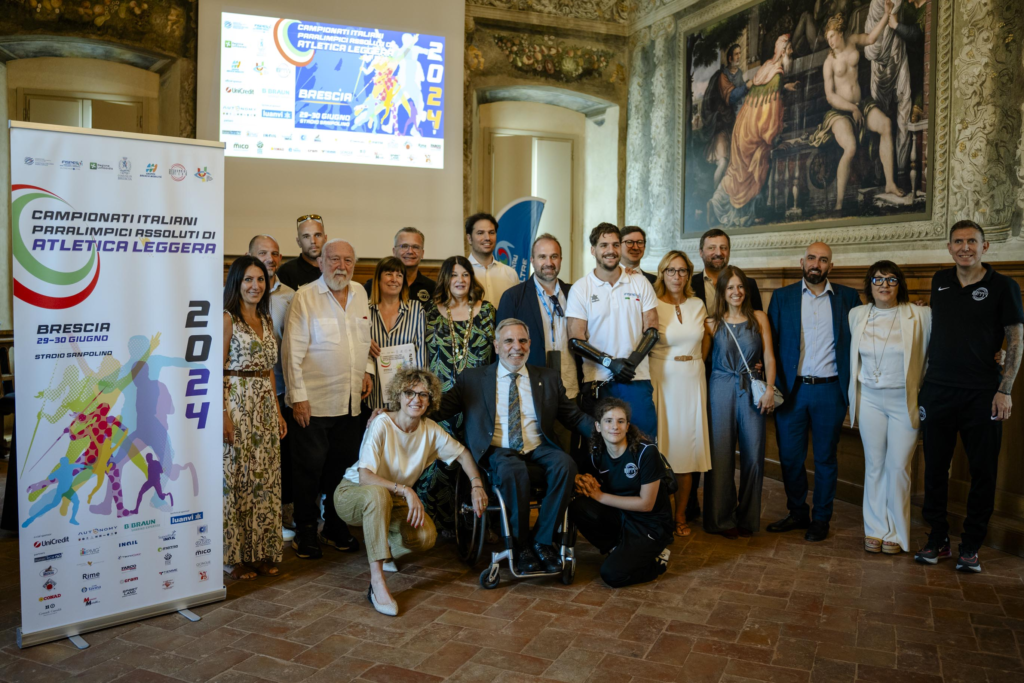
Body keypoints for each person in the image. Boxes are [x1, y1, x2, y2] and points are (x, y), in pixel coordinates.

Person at [434, 319, 593, 573]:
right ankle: (520, 546)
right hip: (498, 451)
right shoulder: (473, 380)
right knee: (513, 470)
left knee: (566, 464)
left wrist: (605, 430)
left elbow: (573, 417)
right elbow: (439, 408)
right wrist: (399, 412)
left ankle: (542, 542)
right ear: (496, 346)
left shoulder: (548, 378)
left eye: (522, 341)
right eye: (508, 341)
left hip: (539, 447)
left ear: (529, 345)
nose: (516, 347)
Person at [914, 220, 1022, 573]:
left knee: (983, 472)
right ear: (949, 247)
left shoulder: (1004, 286)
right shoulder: (940, 280)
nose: (965, 247)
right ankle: (938, 539)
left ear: (985, 247)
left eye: (971, 242)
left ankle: (971, 545)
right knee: (934, 470)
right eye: (958, 241)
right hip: (939, 391)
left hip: (983, 395)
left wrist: (1004, 389)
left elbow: (1016, 341)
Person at [335, 367, 487, 616]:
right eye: (409, 392)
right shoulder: (382, 423)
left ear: (430, 400)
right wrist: (406, 490)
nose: (416, 399)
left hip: (392, 496)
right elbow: (365, 477)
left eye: (423, 394)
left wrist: (477, 485)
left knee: (425, 536)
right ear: (399, 395)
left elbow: (463, 455)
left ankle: (383, 547)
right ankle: (377, 582)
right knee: (377, 493)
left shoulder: (430, 430)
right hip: (353, 493)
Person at [282, 239, 373, 559]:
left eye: (348, 260)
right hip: (314, 404)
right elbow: (291, 351)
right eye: (334, 259)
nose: (341, 266)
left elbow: (364, 341)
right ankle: (305, 531)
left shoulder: (361, 293)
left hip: (350, 403)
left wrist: (368, 372)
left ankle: (335, 526)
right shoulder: (305, 296)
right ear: (320, 263)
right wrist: (298, 398)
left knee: (342, 468)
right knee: (308, 470)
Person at [766, 242, 862, 542]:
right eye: (811, 258)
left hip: (830, 391)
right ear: (802, 262)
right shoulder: (782, 298)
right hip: (792, 391)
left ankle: (821, 518)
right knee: (791, 458)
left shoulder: (849, 298)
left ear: (830, 266)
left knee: (825, 459)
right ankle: (797, 512)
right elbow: (770, 344)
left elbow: (868, 332)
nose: (816, 264)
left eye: (823, 260)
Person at [848, 261, 931, 554]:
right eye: (878, 279)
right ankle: (875, 529)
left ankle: (896, 533)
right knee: (875, 466)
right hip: (869, 399)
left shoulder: (920, 314)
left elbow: (936, 353)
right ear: (870, 284)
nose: (884, 285)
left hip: (903, 401)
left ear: (900, 284)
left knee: (898, 467)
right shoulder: (857, 315)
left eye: (891, 279)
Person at [419, 255, 496, 535]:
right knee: (441, 460)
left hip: (479, 399)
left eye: (465, 274)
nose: (460, 280)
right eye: (454, 275)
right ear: (445, 279)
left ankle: (477, 522)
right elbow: (422, 356)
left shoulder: (487, 311)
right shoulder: (430, 312)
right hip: (442, 401)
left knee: (478, 459)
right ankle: (436, 523)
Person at [222, 256, 287, 580]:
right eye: (248, 279)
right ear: (236, 282)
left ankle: (261, 552)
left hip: (263, 407)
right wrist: (223, 415)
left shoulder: (265, 316)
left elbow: (269, 371)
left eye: (260, 280)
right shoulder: (226, 319)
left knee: (264, 482)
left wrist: (276, 411)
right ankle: (233, 558)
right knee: (238, 481)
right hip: (236, 404)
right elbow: (215, 370)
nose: (255, 286)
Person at [567, 223, 660, 443]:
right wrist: (610, 363)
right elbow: (576, 340)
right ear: (593, 250)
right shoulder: (581, 288)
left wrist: (631, 363)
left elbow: (652, 330)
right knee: (603, 447)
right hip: (599, 382)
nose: (611, 250)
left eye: (615, 244)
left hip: (637, 379)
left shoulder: (639, 281)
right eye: (604, 245)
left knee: (644, 442)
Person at [703, 266, 776, 538]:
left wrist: (769, 387)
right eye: (730, 287)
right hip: (719, 387)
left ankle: (747, 519)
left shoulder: (759, 318)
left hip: (752, 386)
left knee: (754, 455)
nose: (736, 292)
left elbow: (769, 356)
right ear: (722, 291)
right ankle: (721, 520)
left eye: (740, 286)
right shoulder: (711, 323)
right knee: (720, 455)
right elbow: (701, 360)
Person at [810, 5, 906, 210]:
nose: (831, 41)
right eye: (828, 38)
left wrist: (887, 16)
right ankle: (839, 202)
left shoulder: (852, 41)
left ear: (841, 32)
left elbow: (871, 38)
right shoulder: (829, 62)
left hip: (860, 105)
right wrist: (851, 109)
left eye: (833, 36)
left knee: (886, 124)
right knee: (850, 147)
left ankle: (889, 183)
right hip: (839, 112)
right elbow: (830, 96)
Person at [571, 397, 672, 588]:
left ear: (627, 426)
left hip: (650, 525)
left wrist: (600, 496)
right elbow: (583, 479)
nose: (614, 426)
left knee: (612, 575)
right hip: (622, 518)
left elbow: (646, 504)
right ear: (598, 427)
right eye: (608, 421)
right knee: (579, 507)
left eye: (620, 421)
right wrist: (580, 481)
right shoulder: (596, 455)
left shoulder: (645, 452)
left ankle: (656, 561)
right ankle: (617, 548)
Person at [496, 234, 581, 451]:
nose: (548, 262)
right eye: (542, 256)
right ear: (532, 260)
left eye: (554, 256)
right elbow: (503, 348)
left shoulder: (576, 294)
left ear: (561, 259)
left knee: (566, 454)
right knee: (533, 453)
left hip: (570, 388)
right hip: (529, 391)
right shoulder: (513, 296)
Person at [649, 250, 710, 538]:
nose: (677, 276)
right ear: (662, 273)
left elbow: (706, 338)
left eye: (683, 270)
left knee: (687, 450)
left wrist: (696, 361)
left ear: (689, 274)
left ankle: (681, 515)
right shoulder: (651, 304)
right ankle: (657, 515)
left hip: (692, 379)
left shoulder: (698, 304)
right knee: (662, 449)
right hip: (662, 379)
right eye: (671, 270)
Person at [708, 34, 800, 227]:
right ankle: (748, 213)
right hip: (754, 132)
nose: (792, 53)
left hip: (743, 127)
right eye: (790, 50)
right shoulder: (776, 73)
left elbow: (763, 93)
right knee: (755, 170)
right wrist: (773, 136)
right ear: (783, 52)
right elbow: (770, 108)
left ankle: (717, 201)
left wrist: (783, 87)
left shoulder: (767, 66)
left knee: (738, 171)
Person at [249, 234, 297, 540]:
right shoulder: (236, 295)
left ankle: (275, 518)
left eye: (275, 253)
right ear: (250, 255)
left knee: (278, 461)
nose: (271, 258)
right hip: (244, 393)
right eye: (263, 252)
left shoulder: (290, 295)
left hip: (278, 389)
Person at [365, 257, 426, 412]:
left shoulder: (416, 309)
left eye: (399, 275)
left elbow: (421, 354)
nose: (394, 279)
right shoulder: (365, 310)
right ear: (378, 279)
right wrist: (363, 342)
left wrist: (416, 394)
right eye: (389, 274)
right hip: (373, 395)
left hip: (407, 398)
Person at [699, 44, 750, 189]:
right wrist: (746, 87)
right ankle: (714, 196)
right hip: (720, 126)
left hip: (731, 126)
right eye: (736, 54)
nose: (739, 57)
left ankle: (724, 196)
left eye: (740, 53)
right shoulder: (723, 76)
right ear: (729, 58)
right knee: (722, 162)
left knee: (732, 165)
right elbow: (731, 97)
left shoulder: (738, 74)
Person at [692, 229, 764, 313]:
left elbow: (757, 321)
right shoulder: (689, 284)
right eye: (711, 248)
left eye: (723, 248)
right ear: (701, 252)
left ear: (729, 251)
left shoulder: (749, 284)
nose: (718, 253)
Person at [363, 227, 437, 306]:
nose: (410, 251)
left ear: (422, 253)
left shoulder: (433, 289)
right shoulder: (373, 286)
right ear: (394, 251)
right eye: (404, 246)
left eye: (415, 247)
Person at [466, 212, 520, 304]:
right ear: (469, 238)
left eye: (491, 233)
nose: (487, 238)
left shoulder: (510, 274)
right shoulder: (460, 274)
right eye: (480, 233)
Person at [277, 214, 328, 290]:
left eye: (317, 235)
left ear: (325, 238)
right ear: (298, 242)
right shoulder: (286, 271)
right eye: (306, 236)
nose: (313, 241)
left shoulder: (334, 267)